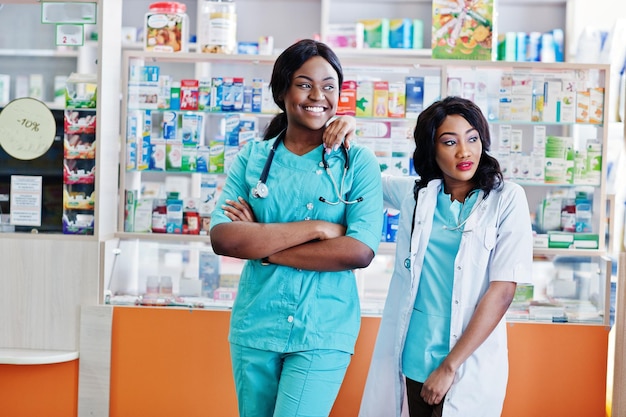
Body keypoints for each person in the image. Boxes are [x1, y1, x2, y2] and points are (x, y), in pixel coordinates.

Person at [209, 39, 383, 417]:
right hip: (256, 324)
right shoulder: (252, 159)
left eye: (329, 85)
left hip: (323, 329)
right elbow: (224, 237)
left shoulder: (358, 162)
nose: (318, 95)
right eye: (304, 84)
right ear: (282, 90)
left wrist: (263, 247)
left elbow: (358, 251)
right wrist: (319, 228)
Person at [350, 96, 534, 417]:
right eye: (450, 142)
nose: (465, 151)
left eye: (473, 138)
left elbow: (503, 291)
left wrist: (449, 367)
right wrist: (347, 130)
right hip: (415, 357)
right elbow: (365, 180)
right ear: (431, 151)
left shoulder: (507, 199)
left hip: (467, 363)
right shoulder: (417, 194)